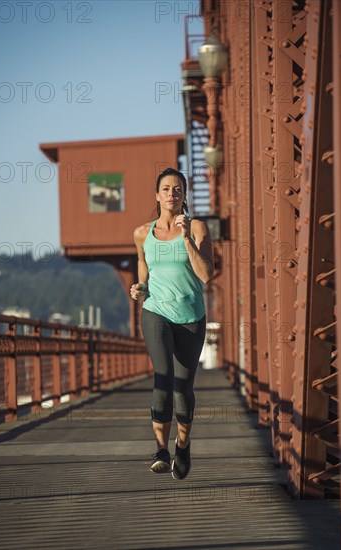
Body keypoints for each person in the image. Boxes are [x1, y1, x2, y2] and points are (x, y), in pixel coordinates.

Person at [130, 167, 214, 480]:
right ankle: (160, 450)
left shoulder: (199, 228)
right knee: (162, 377)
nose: (171, 194)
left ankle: (184, 443)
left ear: (184, 196)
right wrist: (141, 288)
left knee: (183, 390)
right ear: (157, 195)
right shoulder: (142, 233)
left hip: (191, 316)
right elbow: (143, 266)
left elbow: (206, 274)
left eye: (177, 189)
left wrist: (186, 238)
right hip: (156, 311)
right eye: (166, 189)